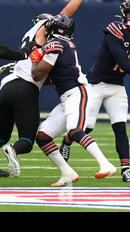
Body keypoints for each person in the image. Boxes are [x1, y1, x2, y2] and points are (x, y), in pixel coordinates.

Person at [0, 0, 100, 177]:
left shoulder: (29, 36)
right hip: (26, 87)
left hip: (6, 86)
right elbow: (66, 13)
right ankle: (14, 150)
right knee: (27, 139)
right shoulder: (45, 30)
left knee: (0, 136)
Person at [58, 0, 130, 183]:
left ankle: (126, 169)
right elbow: (123, 62)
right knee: (86, 127)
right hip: (95, 84)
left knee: (120, 127)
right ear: (123, 13)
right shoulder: (114, 29)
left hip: (116, 86)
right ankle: (67, 142)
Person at [31, 14, 116, 187]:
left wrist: (34, 60)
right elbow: (53, 76)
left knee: (74, 130)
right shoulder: (63, 43)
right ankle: (67, 173)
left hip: (77, 92)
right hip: (67, 96)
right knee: (43, 136)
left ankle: (105, 164)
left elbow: (37, 74)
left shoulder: (54, 44)